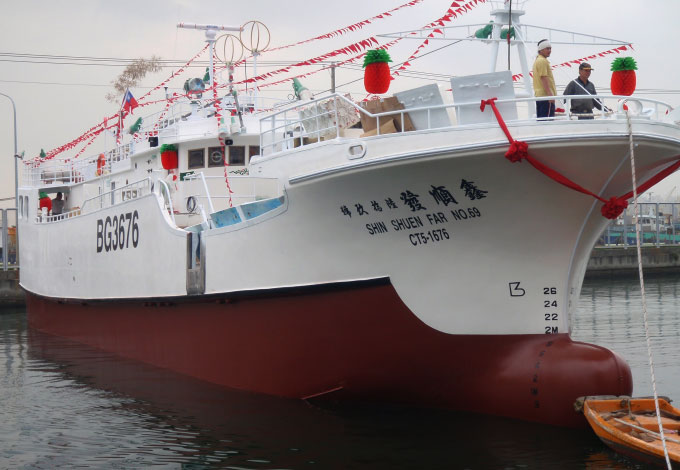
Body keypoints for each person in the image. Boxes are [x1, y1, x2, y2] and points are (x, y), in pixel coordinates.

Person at [532, 39, 556, 119]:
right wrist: (550, 94)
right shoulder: (542, 61)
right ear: (541, 50)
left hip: (540, 96)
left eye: (550, 48)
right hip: (545, 96)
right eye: (547, 48)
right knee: (547, 120)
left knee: (541, 120)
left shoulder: (538, 60)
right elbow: (543, 77)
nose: (549, 50)